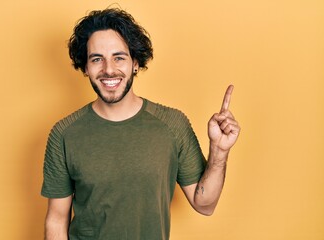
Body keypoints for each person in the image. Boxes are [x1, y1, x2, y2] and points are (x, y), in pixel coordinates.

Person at [41, 8, 240, 240]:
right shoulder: (64, 134)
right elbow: (56, 219)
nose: (108, 69)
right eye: (97, 59)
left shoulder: (172, 124)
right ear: (85, 67)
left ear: (135, 63)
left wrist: (219, 151)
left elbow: (204, 204)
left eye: (119, 57)